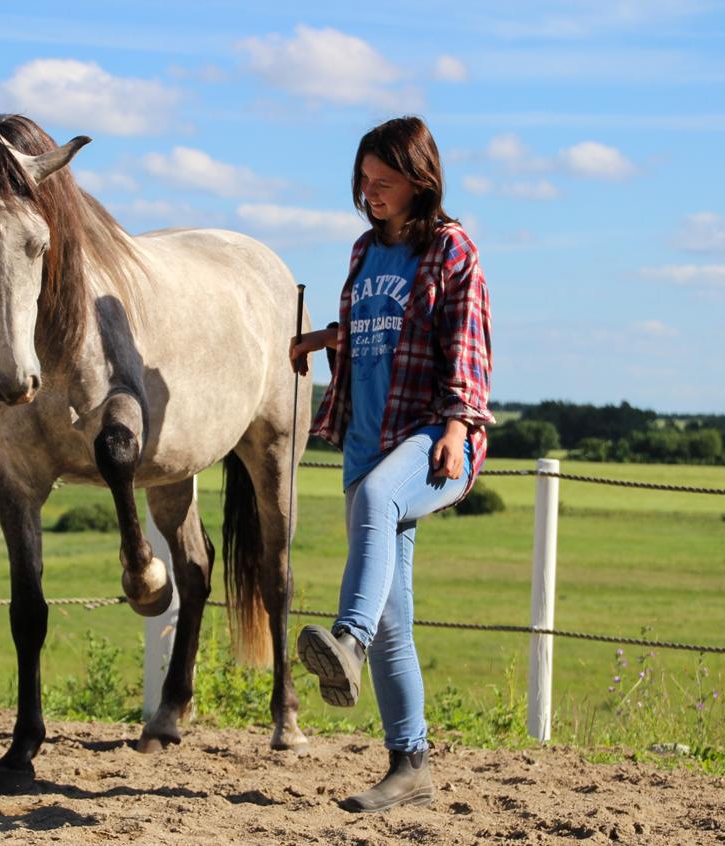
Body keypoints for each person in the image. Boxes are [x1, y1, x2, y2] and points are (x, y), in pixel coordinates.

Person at [290, 116, 493, 813]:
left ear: (419, 179)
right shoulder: (362, 252)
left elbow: (467, 343)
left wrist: (460, 423)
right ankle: (411, 766)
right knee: (396, 622)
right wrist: (324, 338)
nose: (370, 193)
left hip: (433, 438)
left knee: (378, 504)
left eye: (384, 182)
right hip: (365, 440)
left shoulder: (451, 249)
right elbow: (377, 330)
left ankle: (345, 639)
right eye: (363, 182)